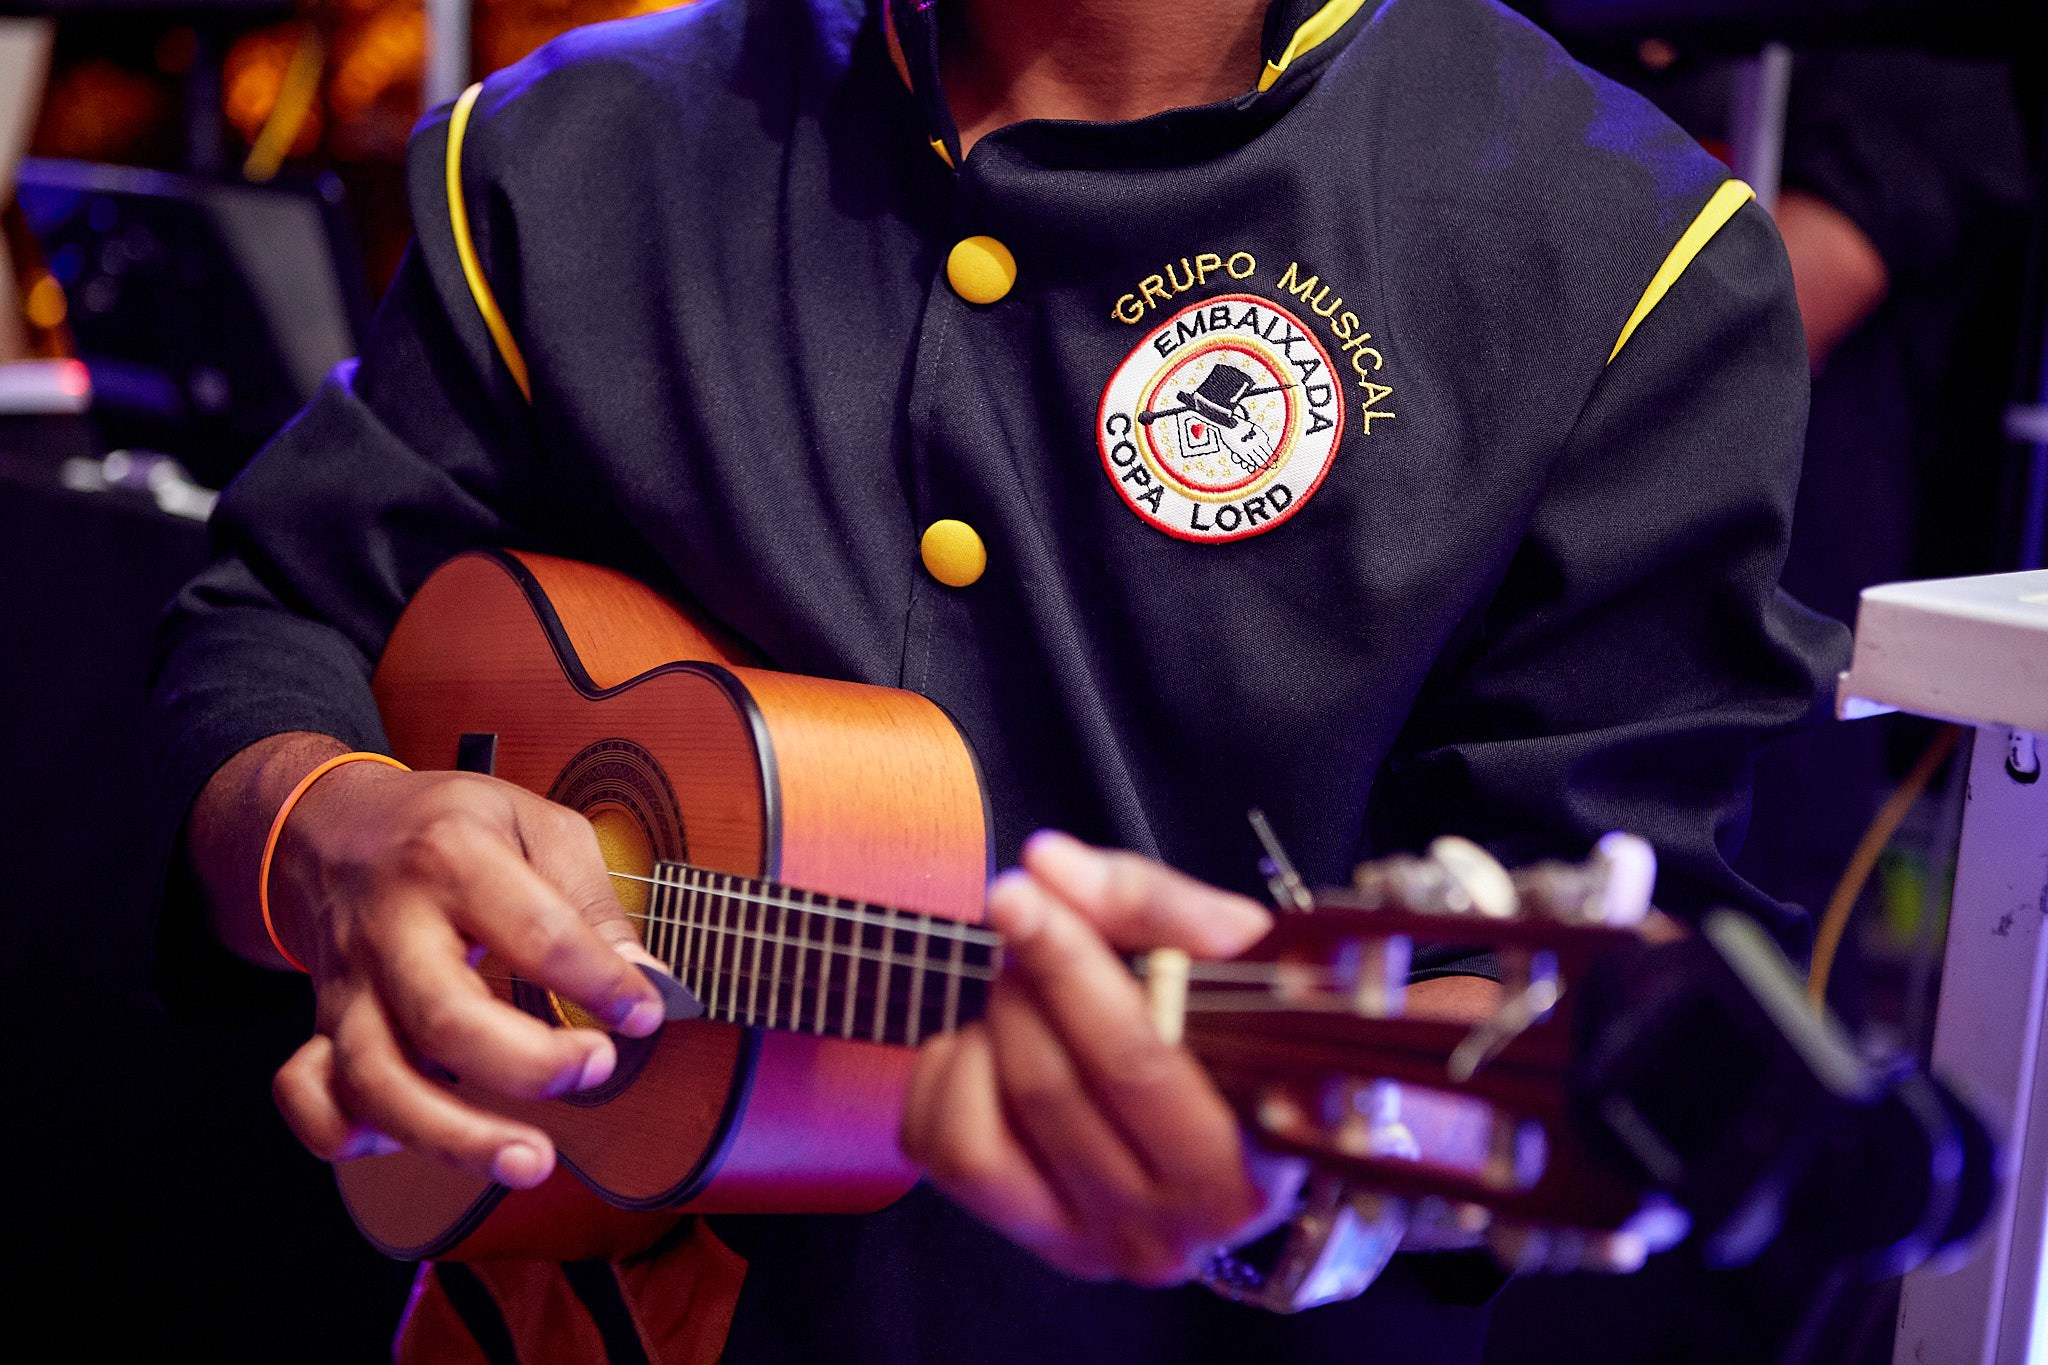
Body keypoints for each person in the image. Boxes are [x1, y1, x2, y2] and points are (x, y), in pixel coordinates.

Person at [145, 0, 1846, 1359]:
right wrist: (330, 832)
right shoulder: (562, 147)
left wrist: (1294, 1189)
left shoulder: (1623, 255)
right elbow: (266, 626)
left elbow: (1588, 982)